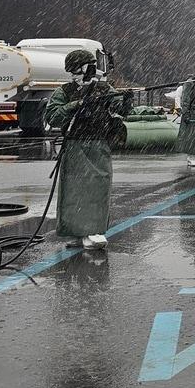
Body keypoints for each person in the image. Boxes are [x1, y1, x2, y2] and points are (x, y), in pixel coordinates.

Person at [45, 49, 129, 249]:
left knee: (99, 186)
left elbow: (121, 110)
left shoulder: (104, 88)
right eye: (75, 69)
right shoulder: (64, 91)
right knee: (74, 191)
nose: (77, 72)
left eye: (80, 68)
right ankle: (76, 230)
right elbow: (52, 117)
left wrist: (126, 99)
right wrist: (75, 104)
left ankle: (93, 230)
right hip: (74, 144)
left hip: (99, 143)